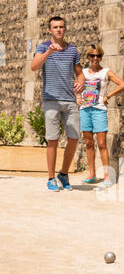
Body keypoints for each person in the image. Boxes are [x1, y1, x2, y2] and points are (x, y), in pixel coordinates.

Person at [31, 16, 85, 192]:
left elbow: (80, 73)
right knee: (52, 140)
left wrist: (82, 81)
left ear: (65, 29)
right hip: (51, 100)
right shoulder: (43, 47)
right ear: (50, 30)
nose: (59, 30)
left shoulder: (72, 50)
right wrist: (48, 53)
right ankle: (51, 178)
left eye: (61, 27)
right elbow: (34, 66)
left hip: (70, 101)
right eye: (55, 27)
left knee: (74, 138)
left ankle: (63, 173)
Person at [78, 44, 124, 185]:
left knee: (101, 144)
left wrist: (108, 95)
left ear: (101, 57)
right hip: (85, 110)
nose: (95, 58)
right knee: (88, 143)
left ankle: (106, 176)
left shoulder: (106, 72)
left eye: (98, 56)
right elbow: (75, 86)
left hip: (99, 110)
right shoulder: (83, 72)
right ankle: (92, 174)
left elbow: (122, 85)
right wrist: (77, 97)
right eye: (92, 55)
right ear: (88, 57)